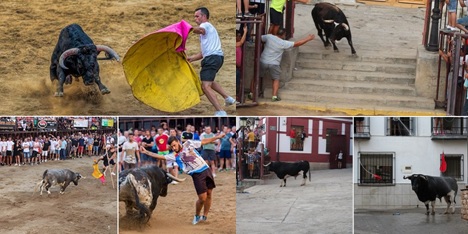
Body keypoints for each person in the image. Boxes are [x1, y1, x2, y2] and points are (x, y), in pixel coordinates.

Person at [139, 131, 226, 225]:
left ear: (178, 141)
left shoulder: (188, 144)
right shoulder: (174, 155)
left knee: (209, 194)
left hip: (206, 169)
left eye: (174, 145)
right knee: (202, 198)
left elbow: (204, 141)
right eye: (171, 147)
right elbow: (161, 156)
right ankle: (197, 216)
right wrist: (146, 152)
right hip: (196, 174)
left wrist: (218, 136)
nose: (173, 148)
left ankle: (204, 216)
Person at [188, 7, 236, 116]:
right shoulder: (210, 29)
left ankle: (220, 111)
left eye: (197, 16)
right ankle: (228, 98)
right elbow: (204, 52)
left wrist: (188, 29)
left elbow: (200, 30)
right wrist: (191, 58)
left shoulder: (204, 26)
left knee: (205, 86)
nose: (195, 18)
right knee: (209, 80)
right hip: (217, 58)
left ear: (204, 16)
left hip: (211, 58)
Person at [259, 29, 315, 101]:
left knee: (256, 77)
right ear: (283, 35)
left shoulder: (269, 37)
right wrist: (308, 39)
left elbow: (259, 38)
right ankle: (274, 96)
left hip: (263, 61)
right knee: (276, 79)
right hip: (274, 64)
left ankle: (251, 93)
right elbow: (297, 43)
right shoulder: (283, 43)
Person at [236, 26, 248, 102]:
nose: (240, 37)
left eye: (240, 36)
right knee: (236, 84)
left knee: (238, 83)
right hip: (236, 68)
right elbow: (241, 42)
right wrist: (245, 32)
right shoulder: (236, 43)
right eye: (238, 36)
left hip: (238, 68)